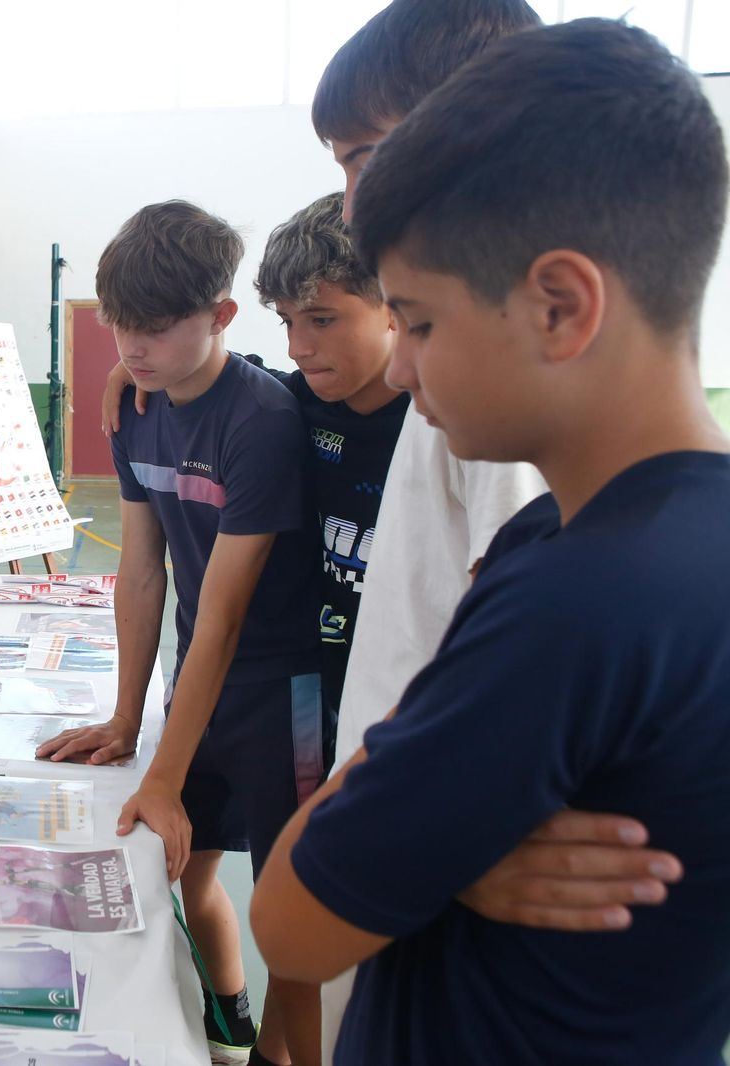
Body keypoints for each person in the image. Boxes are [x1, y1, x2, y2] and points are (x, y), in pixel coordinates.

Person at [252, 20, 730, 1063]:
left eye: (416, 323)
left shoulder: (574, 593)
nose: (405, 371)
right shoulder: (609, 538)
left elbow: (286, 920)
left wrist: (405, 822)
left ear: (558, 306)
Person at [39, 201, 324, 1066]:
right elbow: (138, 571)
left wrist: (162, 774)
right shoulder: (135, 407)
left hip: (283, 697)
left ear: (221, 316)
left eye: (156, 329)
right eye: (121, 324)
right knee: (183, 874)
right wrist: (129, 721)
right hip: (197, 681)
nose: (131, 347)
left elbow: (230, 615)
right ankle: (229, 1022)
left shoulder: (261, 420)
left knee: (293, 914)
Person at [251, 192, 408, 770]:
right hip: (319, 703)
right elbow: (222, 377)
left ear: (394, 304)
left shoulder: (448, 426)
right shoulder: (289, 405)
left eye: (322, 319)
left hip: (415, 716)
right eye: (288, 321)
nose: (298, 347)